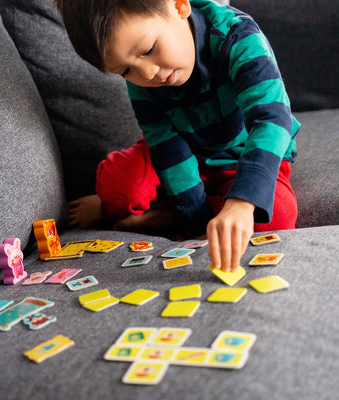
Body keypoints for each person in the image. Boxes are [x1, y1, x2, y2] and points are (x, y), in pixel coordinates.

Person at [54, 0, 300, 272]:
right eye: (125, 71)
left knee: (276, 213)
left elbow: (272, 121)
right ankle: (152, 209)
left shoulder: (238, 38)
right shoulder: (143, 79)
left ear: (179, 6)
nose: (147, 74)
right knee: (119, 183)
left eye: (149, 50)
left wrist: (241, 204)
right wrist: (196, 225)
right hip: (181, 149)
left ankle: (166, 214)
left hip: (243, 154)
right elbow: (169, 150)